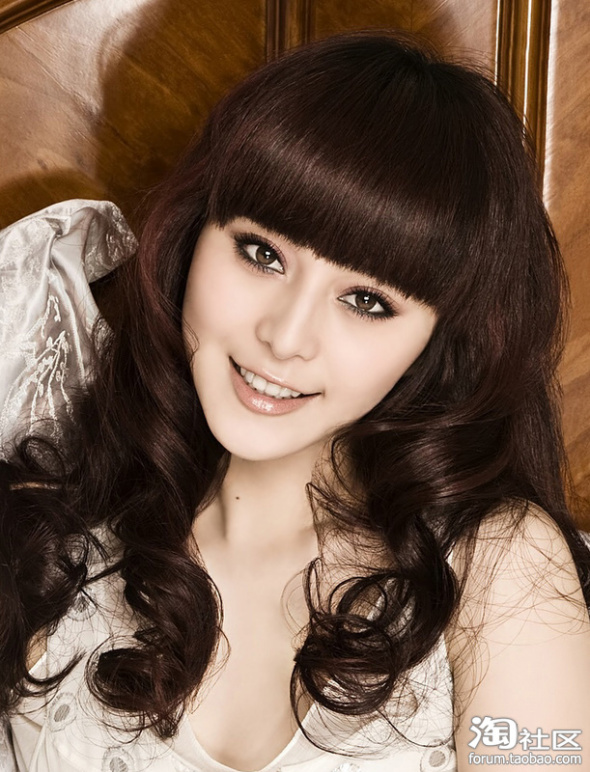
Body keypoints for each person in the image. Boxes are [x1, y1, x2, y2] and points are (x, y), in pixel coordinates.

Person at [1, 31, 589, 772]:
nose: (284, 337)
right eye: (262, 253)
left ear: (438, 341)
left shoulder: (496, 566)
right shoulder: (56, 539)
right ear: (192, 237)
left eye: (367, 301)